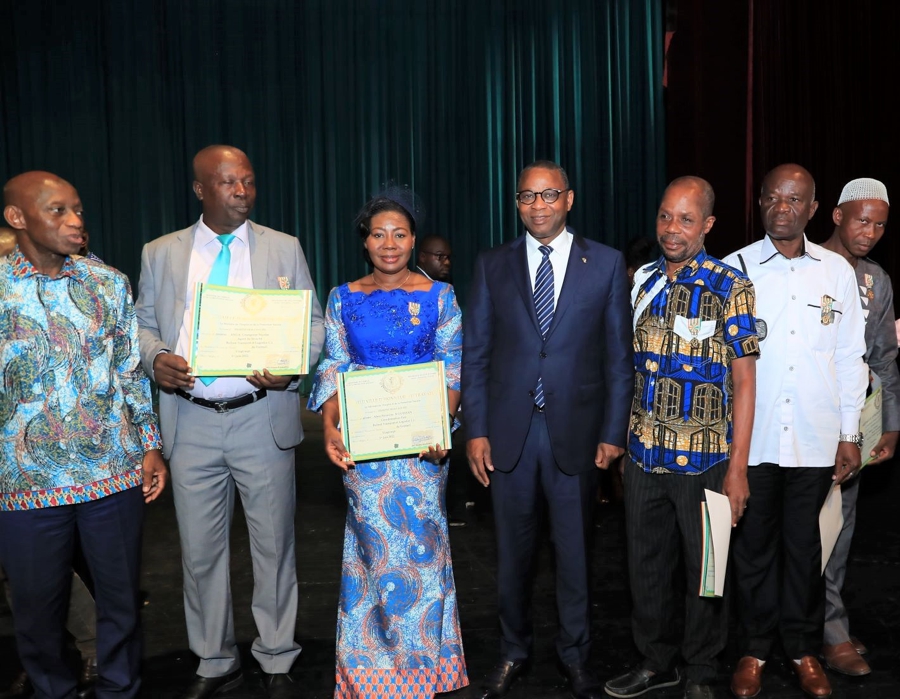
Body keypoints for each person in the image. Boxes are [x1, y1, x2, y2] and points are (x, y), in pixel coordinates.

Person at [135, 145, 325, 699]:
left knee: (274, 547)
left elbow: (312, 323)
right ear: (201, 189)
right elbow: (141, 324)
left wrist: (292, 364)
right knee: (199, 553)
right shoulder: (160, 252)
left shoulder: (284, 247)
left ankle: (277, 656)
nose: (242, 191)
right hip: (190, 423)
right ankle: (214, 660)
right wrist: (155, 358)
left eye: (248, 181)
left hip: (260, 417)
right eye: (228, 182)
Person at [462, 160, 634, 699]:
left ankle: (575, 657)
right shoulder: (492, 264)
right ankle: (513, 652)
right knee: (512, 557)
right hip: (508, 435)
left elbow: (618, 359)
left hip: (577, 434)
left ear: (569, 199)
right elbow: (476, 354)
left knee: (575, 555)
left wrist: (614, 433)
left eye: (549, 194)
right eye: (527, 196)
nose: (538, 205)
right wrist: (475, 429)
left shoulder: (605, 263)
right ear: (517, 203)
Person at [0, 171, 166, 698]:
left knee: (119, 602)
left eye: (78, 210)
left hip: (112, 474)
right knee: (36, 612)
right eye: (58, 211)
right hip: (24, 483)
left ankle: (120, 689)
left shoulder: (108, 283)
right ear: (17, 217)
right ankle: (53, 690)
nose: (75, 221)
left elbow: (128, 373)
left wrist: (150, 445)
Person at [308, 187, 468, 698]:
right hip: (365, 453)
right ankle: (372, 673)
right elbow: (333, 366)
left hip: (423, 453)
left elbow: (452, 369)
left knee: (423, 551)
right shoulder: (343, 298)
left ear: (414, 240)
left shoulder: (441, 297)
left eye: (399, 234)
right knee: (373, 556)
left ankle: (424, 670)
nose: (389, 243)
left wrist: (440, 429)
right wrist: (330, 427)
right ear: (365, 241)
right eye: (379, 234)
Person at [604, 178, 758, 699]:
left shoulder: (729, 286)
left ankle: (701, 671)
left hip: (707, 461)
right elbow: (624, 369)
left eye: (686, 219)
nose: (672, 229)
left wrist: (738, 469)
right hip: (644, 456)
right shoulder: (641, 282)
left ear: (707, 225)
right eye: (666, 216)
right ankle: (655, 661)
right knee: (644, 567)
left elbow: (745, 381)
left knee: (707, 570)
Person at [723, 164, 867, 699]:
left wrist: (850, 433)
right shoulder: (734, 268)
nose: (782, 207)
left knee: (806, 550)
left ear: (813, 209)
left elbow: (851, 357)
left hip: (815, 437)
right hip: (754, 439)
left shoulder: (836, 272)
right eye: (772, 198)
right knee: (752, 550)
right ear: (760, 203)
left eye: (794, 199)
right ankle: (754, 650)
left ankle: (804, 649)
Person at [819, 177, 898, 676]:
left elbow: (884, 357)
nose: (869, 233)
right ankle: (802, 627)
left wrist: (889, 424)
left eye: (880, 225)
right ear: (837, 216)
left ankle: (831, 628)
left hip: (853, 426)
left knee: (839, 530)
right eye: (862, 221)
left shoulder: (876, 280)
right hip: (799, 422)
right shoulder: (806, 265)